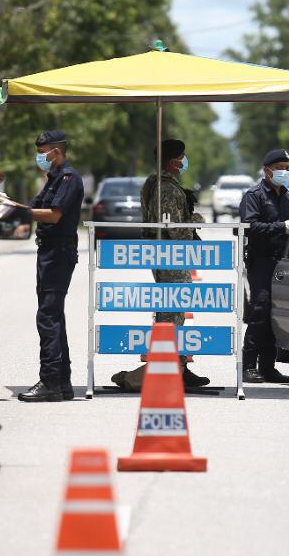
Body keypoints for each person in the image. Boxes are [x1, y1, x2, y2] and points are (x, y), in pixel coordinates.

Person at [110, 139, 210, 391]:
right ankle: (170, 368)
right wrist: (196, 218)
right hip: (171, 256)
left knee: (172, 312)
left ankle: (179, 366)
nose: (184, 161)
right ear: (173, 161)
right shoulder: (165, 188)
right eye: (182, 157)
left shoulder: (159, 184)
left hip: (167, 255)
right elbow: (174, 228)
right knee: (172, 312)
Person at [18, 130, 85, 403]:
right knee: (54, 316)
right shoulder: (53, 180)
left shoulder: (69, 178)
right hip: (49, 252)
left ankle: (49, 381)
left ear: (55, 152)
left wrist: (20, 212)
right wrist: (11, 208)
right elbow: (33, 207)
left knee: (47, 317)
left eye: (43, 151)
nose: (40, 157)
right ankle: (62, 382)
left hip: (58, 252)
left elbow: (54, 215)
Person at [239, 148, 289, 384]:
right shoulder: (254, 195)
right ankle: (248, 365)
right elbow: (249, 226)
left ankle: (268, 366)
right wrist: (281, 227)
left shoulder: (288, 196)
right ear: (267, 170)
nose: (285, 172)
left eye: (288, 168)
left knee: (276, 314)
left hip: (283, 262)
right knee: (260, 311)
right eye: (281, 168)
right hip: (261, 261)